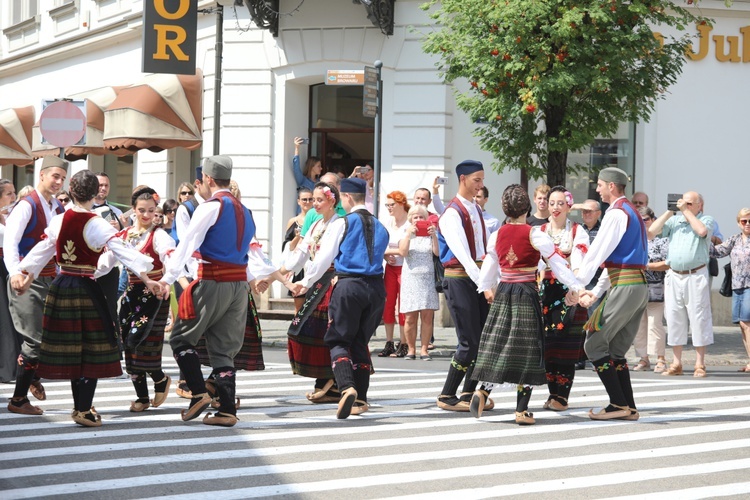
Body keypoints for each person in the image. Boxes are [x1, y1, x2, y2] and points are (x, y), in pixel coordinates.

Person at [14, 170, 167, 427]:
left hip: (62, 285)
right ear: (95, 193)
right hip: (86, 286)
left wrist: (25, 272)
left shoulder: (60, 219)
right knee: (92, 349)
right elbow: (123, 251)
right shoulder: (97, 223)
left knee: (73, 348)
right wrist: (148, 276)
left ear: (71, 191)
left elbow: (43, 249)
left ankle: (81, 407)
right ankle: (82, 409)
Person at [470, 185, 583, 424]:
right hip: (526, 292)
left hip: (504, 292)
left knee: (497, 342)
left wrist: (486, 289)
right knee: (529, 347)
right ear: (527, 208)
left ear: (504, 208)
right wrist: (575, 286)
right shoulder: (535, 234)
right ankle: (521, 410)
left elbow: (489, 270)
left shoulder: (497, 235)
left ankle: (483, 391)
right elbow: (558, 264)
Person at [160, 155, 260, 427]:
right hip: (238, 286)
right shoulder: (245, 209)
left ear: (208, 179)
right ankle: (227, 410)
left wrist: (166, 279)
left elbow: (186, 244)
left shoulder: (210, 207)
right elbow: (249, 251)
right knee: (223, 350)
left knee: (181, 339)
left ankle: (199, 393)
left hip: (213, 279)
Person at [289, 177, 389, 419]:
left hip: (349, 284)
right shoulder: (381, 226)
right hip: (376, 288)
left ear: (345, 197)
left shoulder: (343, 223)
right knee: (360, 341)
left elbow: (324, 259)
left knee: (338, 339)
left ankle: (346, 388)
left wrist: (305, 282)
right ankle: (361, 399)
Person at [576, 167, 648, 421]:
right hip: (635, 285)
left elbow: (599, 252)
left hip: (625, 286)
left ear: (612, 187)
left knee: (594, 343)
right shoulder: (632, 212)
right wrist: (596, 291)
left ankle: (617, 403)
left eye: (600, 185)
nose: (597, 189)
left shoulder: (616, 213)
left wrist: (578, 282)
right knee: (616, 349)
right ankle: (628, 406)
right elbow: (617, 259)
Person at [3, 156, 67, 415]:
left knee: (49, 336)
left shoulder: (59, 209)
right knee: (34, 339)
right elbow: (10, 242)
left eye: (63, 178)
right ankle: (18, 399)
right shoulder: (26, 206)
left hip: (51, 278)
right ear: (41, 175)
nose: (59, 182)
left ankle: (33, 374)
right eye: (55, 176)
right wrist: (15, 273)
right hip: (26, 278)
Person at [435, 160, 491, 412]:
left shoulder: (476, 210)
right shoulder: (452, 212)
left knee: (480, 338)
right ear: (463, 179)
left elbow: (484, 250)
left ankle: (469, 391)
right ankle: (447, 394)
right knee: (468, 340)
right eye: (476, 179)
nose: (480, 184)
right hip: (459, 277)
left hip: (476, 277)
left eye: (481, 179)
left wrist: (489, 279)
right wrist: (484, 283)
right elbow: (463, 254)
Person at [279, 182, 342, 402]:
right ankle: (325, 379)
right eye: (313, 199)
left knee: (323, 330)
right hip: (317, 281)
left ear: (332, 200)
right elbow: (303, 250)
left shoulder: (338, 223)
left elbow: (325, 258)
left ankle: (332, 380)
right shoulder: (316, 224)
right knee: (307, 329)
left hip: (330, 281)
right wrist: (283, 271)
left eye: (319, 200)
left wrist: (305, 281)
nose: (314, 204)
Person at [117, 186, 176, 412]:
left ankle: (159, 378)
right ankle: (142, 396)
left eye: (151, 211)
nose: (146, 215)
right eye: (142, 210)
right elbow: (107, 260)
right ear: (133, 210)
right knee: (128, 345)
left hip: (154, 294)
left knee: (143, 342)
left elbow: (170, 261)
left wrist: (166, 282)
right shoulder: (124, 235)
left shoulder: (159, 236)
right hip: (132, 294)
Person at [648, 191, 714, 378]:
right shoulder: (675, 221)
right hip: (674, 275)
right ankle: (676, 363)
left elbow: (701, 232)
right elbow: (651, 232)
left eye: (690, 204)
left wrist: (686, 212)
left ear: (700, 205)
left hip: (695, 275)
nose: (685, 206)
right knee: (674, 317)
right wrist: (670, 212)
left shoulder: (706, 219)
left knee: (699, 317)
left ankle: (700, 363)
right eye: (683, 203)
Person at [538, 186, 590, 412]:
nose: (556, 207)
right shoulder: (539, 230)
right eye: (552, 202)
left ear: (569, 206)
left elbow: (580, 262)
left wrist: (575, 288)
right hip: (546, 290)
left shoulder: (578, 231)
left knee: (567, 344)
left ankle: (562, 397)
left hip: (569, 290)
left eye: (560, 203)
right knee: (549, 344)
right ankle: (553, 394)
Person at [710, 208, 750, 372]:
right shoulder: (734, 240)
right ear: (738, 223)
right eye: (744, 221)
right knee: (742, 324)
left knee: (746, 322)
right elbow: (717, 252)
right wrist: (704, 239)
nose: (747, 224)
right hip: (737, 286)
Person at [398, 205, 439, 360]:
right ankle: (411, 349)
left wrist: (434, 236)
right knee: (410, 317)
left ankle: (424, 349)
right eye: (415, 217)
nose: (418, 219)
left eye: (421, 216)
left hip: (427, 278)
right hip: (411, 278)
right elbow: (403, 252)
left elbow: (437, 253)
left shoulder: (430, 233)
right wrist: (409, 235)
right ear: (410, 219)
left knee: (427, 316)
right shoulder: (406, 231)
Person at [632, 206, 669, 373]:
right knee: (639, 326)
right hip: (636, 287)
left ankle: (660, 358)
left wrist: (647, 266)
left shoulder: (661, 240)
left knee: (655, 324)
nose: (643, 223)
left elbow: (668, 263)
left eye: (645, 219)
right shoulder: (635, 240)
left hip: (656, 287)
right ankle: (643, 358)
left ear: (653, 220)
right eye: (639, 220)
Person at [379, 191, 410, 358]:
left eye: (392, 204)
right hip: (390, 268)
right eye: (387, 205)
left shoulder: (408, 222)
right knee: (388, 304)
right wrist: (386, 254)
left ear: (401, 204)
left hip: (406, 268)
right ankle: (389, 341)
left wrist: (392, 251)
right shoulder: (388, 223)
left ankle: (403, 342)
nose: (389, 208)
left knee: (403, 307)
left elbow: (406, 250)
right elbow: (381, 245)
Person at [0, 179, 20, 383]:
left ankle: (11, 364)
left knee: (11, 315)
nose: (13, 197)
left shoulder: (9, 217)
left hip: (8, 267)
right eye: (8, 194)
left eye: (14, 193)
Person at [282, 188, 313, 310]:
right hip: (299, 266)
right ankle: (297, 328)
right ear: (298, 201)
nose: (307, 202)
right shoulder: (293, 221)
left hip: (313, 264)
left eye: (310, 199)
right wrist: (298, 236)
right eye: (304, 199)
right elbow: (288, 246)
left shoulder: (319, 220)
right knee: (299, 307)